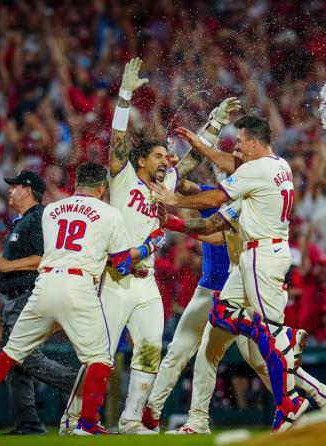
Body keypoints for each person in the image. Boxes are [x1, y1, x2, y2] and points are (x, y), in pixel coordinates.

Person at [66, 57, 240, 434]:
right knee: (101, 355)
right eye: (159, 156)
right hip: (113, 278)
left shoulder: (166, 185)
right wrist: (125, 95)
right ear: (140, 160)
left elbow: (192, 159)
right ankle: (73, 419)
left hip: (145, 283)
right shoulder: (124, 176)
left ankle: (131, 421)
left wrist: (215, 123)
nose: (166, 161)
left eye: (166, 156)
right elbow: (117, 142)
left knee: (149, 350)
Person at [0, 162, 166, 436]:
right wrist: (150, 245)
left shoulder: (52, 210)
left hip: (45, 284)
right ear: (102, 188)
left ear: (77, 184)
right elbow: (122, 264)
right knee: (100, 357)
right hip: (78, 286)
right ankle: (87, 424)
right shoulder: (110, 213)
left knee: (10, 354)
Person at [152, 115, 310, 433]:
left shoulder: (253, 171)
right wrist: (200, 146)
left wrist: (174, 200)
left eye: (239, 141)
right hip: (257, 253)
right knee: (221, 315)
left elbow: (215, 198)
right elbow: (232, 168)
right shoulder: (280, 165)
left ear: (253, 142)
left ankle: (289, 403)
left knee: (271, 342)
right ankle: (281, 339)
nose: (236, 147)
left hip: (262, 255)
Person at [142, 196, 326, 434]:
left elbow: (213, 228)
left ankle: (197, 420)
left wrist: (171, 206)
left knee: (227, 353)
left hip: (245, 285)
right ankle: (322, 392)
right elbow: (210, 219)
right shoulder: (234, 192)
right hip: (230, 285)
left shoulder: (238, 194)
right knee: (250, 359)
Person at [0, 169, 77, 435]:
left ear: (27, 190)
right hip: (13, 297)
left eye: (14, 186)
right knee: (12, 363)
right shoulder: (23, 220)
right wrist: (2, 269)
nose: (10, 191)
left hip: (26, 296)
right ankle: (27, 423)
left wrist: (9, 265)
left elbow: (44, 258)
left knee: (20, 356)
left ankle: (74, 382)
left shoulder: (39, 218)